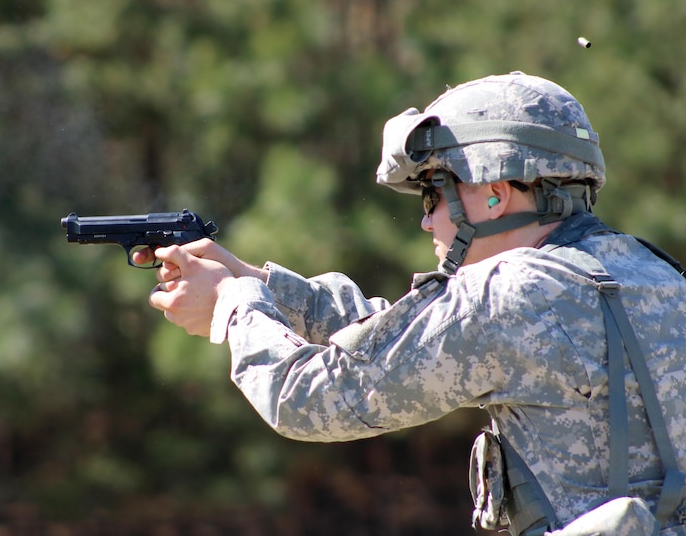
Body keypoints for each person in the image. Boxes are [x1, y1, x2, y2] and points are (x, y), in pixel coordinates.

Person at [133, 72, 686, 535]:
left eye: (435, 193)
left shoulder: (504, 295)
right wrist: (262, 284)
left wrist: (233, 303)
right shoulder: (656, 274)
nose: (426, 219)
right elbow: (409, 337)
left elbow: (305, 398)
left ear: (495, 192)